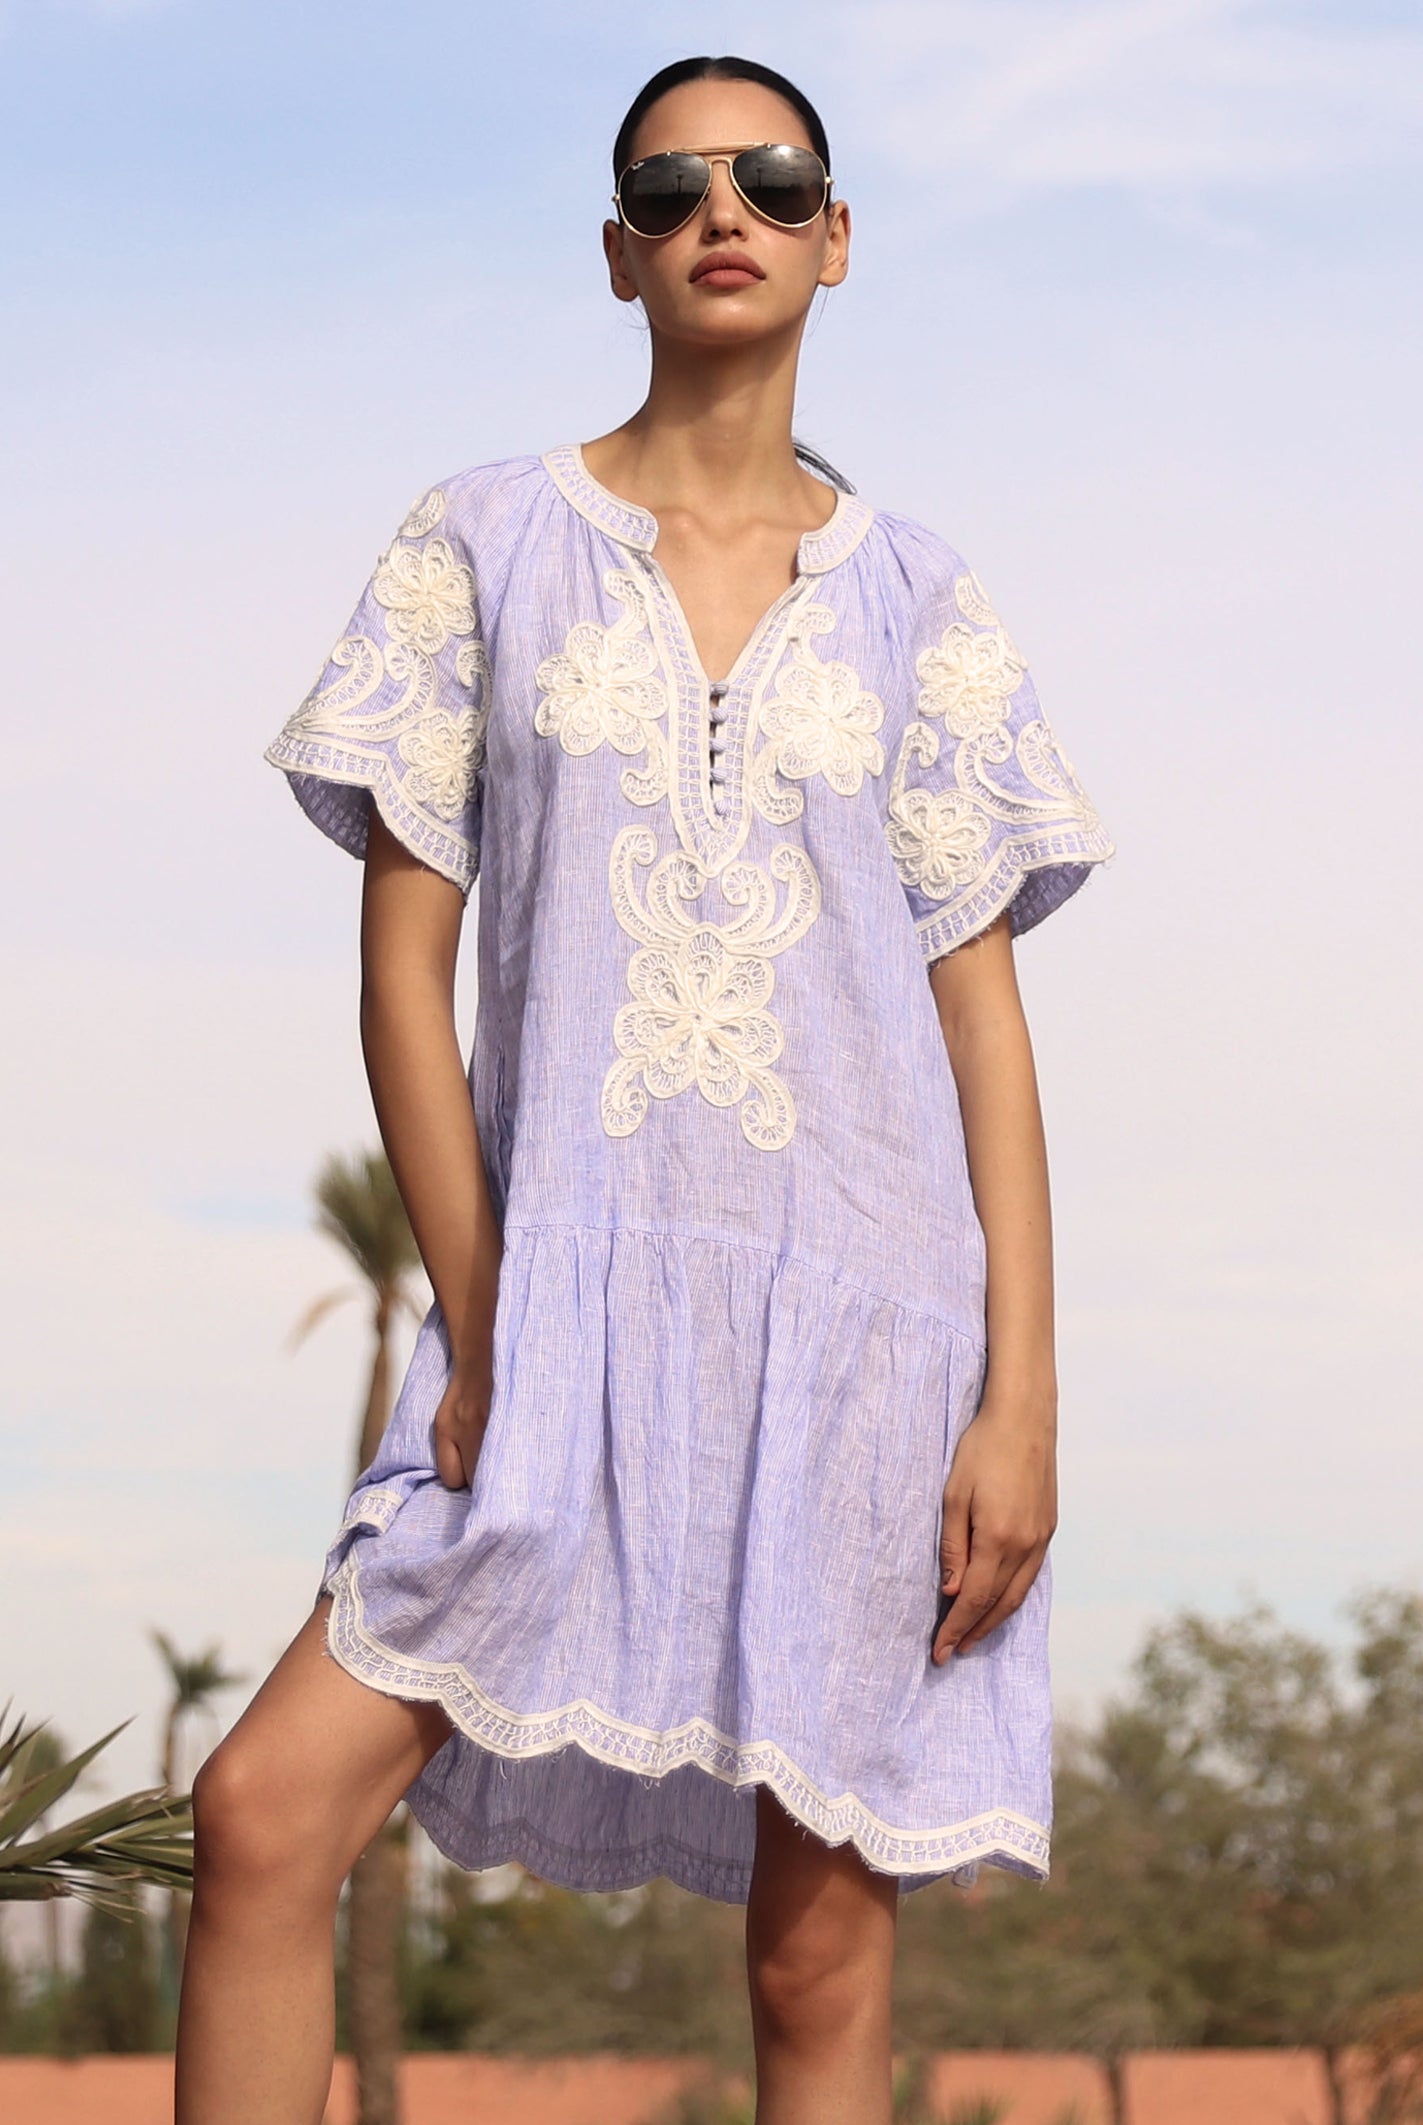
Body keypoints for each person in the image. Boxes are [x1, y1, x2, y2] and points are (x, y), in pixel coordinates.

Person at [175, 53, 1113, 2125]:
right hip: (564, 1301)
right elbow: (402, 972)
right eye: (674, 185)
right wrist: (490, 1315)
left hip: (870, 1334)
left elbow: (984, 1026)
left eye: (772, 179)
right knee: (257, 1821)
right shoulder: (480, 541)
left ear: (832, 237)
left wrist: (1018, 1397)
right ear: (617, 247)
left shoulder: (918, 596)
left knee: (816, 1954)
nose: (725, 212)